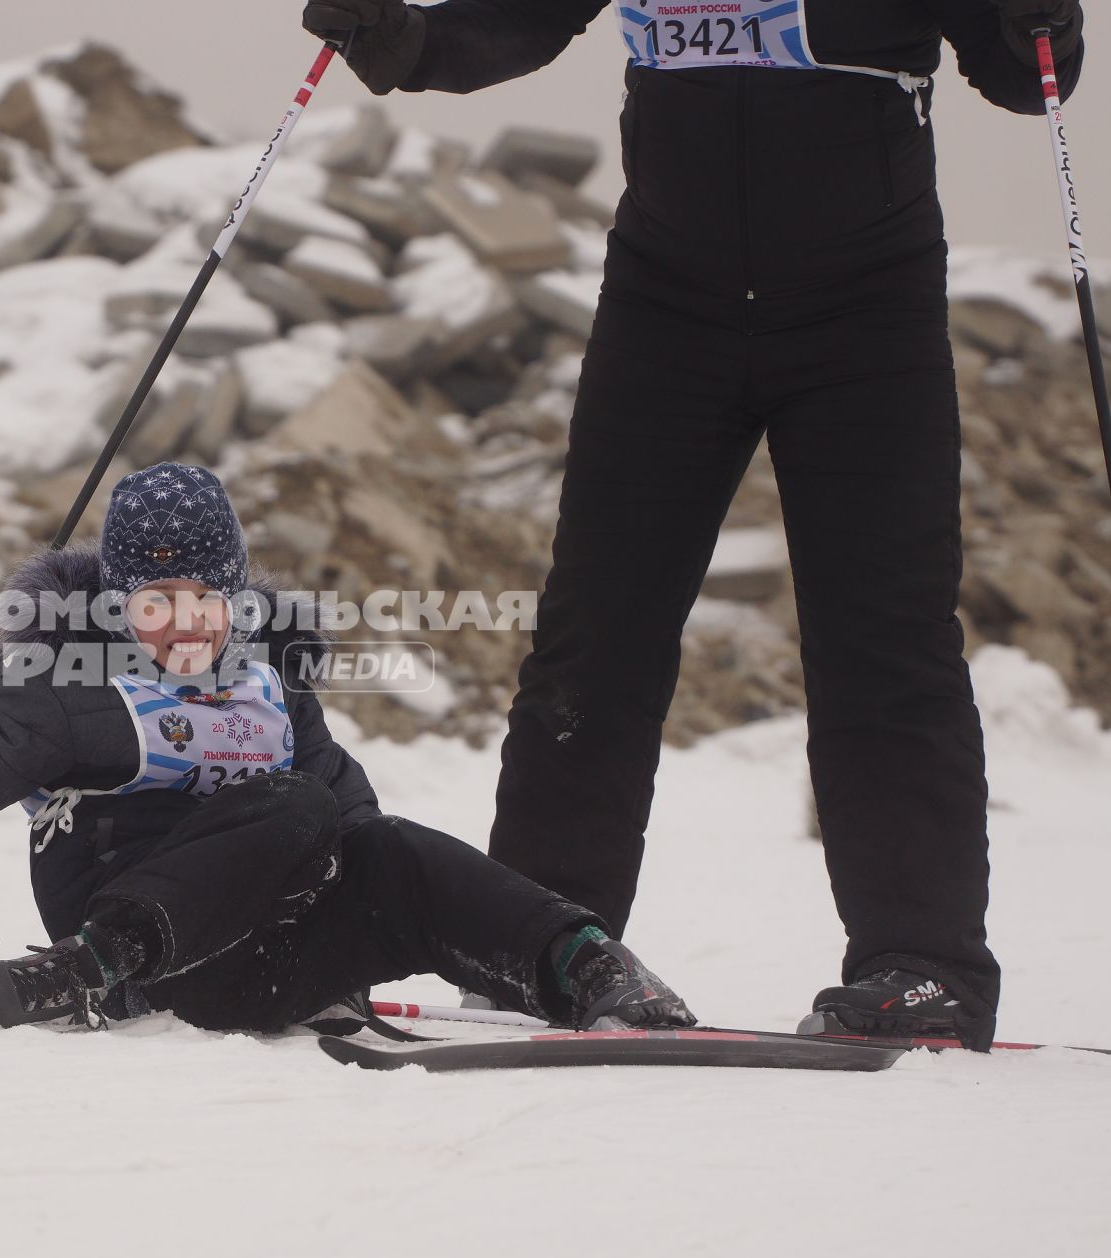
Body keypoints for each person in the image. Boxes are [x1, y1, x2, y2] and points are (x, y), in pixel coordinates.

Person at [301, 0, 1089, 1050]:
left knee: (883, 639)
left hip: (865, 310)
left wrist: (1047, 21)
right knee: (593, 633)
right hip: (666, 303)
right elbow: (515, 21)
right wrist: (398, 40)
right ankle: (533, 945)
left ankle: (923, 965)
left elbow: (1020, 70)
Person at [0, 463, 696, 1033]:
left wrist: (359, 933)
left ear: (236, 598)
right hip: (126, 954)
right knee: (295, 803)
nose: (185, 621)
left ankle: (584, 966)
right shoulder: (67, 689)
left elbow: (352, 820)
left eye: (206, 597)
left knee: (389, 847)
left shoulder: (268, 685)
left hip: (250, 963)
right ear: (118, 607)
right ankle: (88, 969)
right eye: (155, 602)